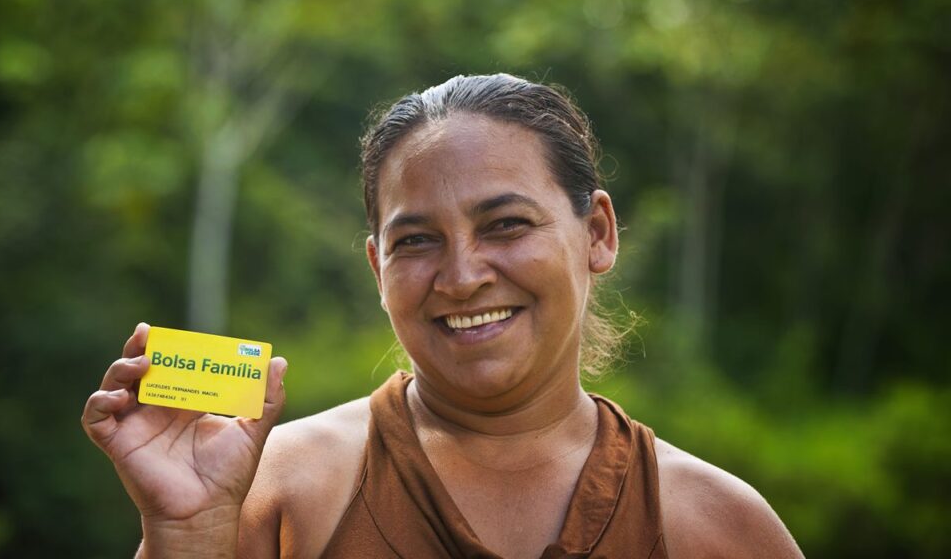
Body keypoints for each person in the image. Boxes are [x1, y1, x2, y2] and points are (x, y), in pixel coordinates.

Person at [82, 74, 804, 558]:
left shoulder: (715, 526)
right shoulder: (281, 492)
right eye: (417, 241)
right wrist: (187, 534)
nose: (461, 276)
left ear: (598, 234)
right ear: (377, 269)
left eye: (507, 225)